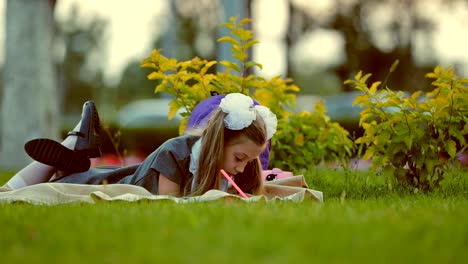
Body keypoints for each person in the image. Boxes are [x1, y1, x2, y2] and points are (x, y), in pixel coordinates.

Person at [4, 93, 277, 197]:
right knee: (16, 191)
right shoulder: (176, 153)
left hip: (118, 174)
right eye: (239, 158)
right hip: (97, 184)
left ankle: (76, 143)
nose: (241, 167)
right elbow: (168, 206)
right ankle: (75, 138)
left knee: (60, 171)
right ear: (219, 144)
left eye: (248, 161)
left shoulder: (226, 168)